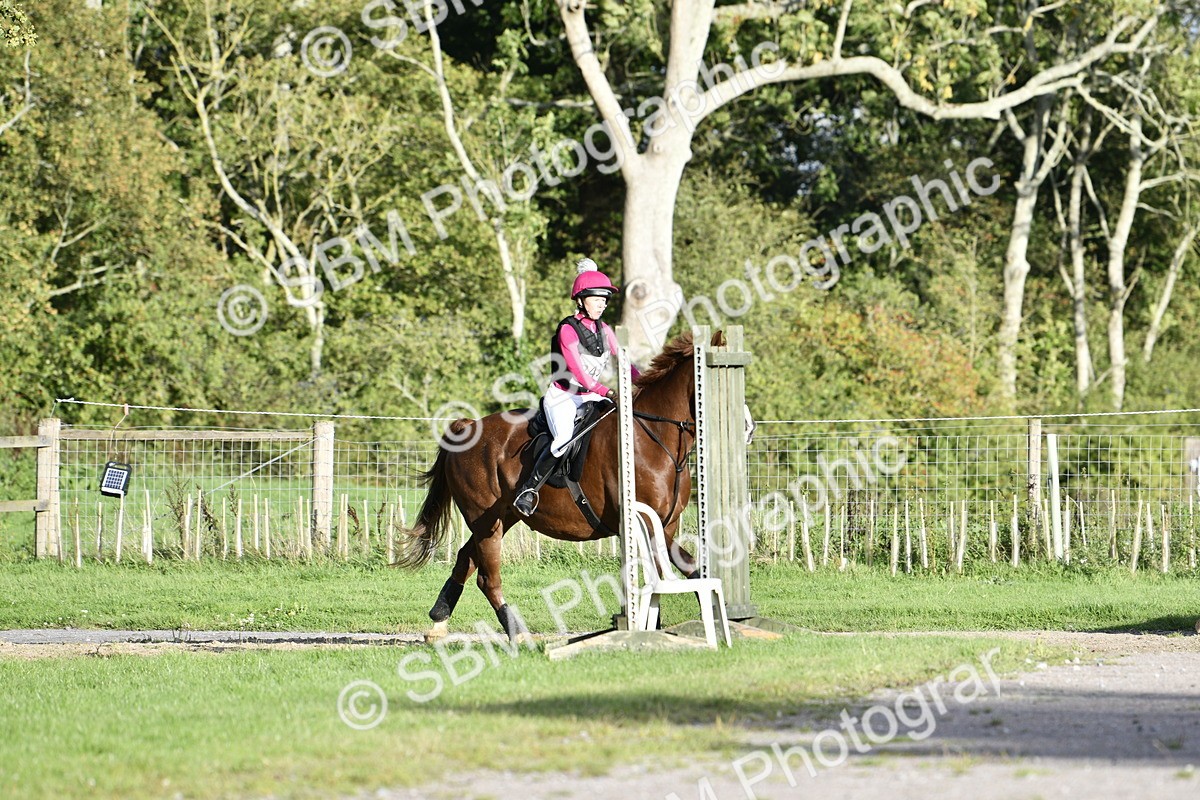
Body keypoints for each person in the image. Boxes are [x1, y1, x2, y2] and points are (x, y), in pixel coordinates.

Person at [512, 257, 639, 516]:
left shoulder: (605, 330)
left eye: (605, 299)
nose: (602, 304)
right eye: (596, 299)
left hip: (591, 396)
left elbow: (625, 362)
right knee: (563, 440)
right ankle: (529, 489)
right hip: (563, 397)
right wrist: (607, 391)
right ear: (581, 300)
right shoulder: (567, 330)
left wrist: (644, 381)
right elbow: (578, 373)